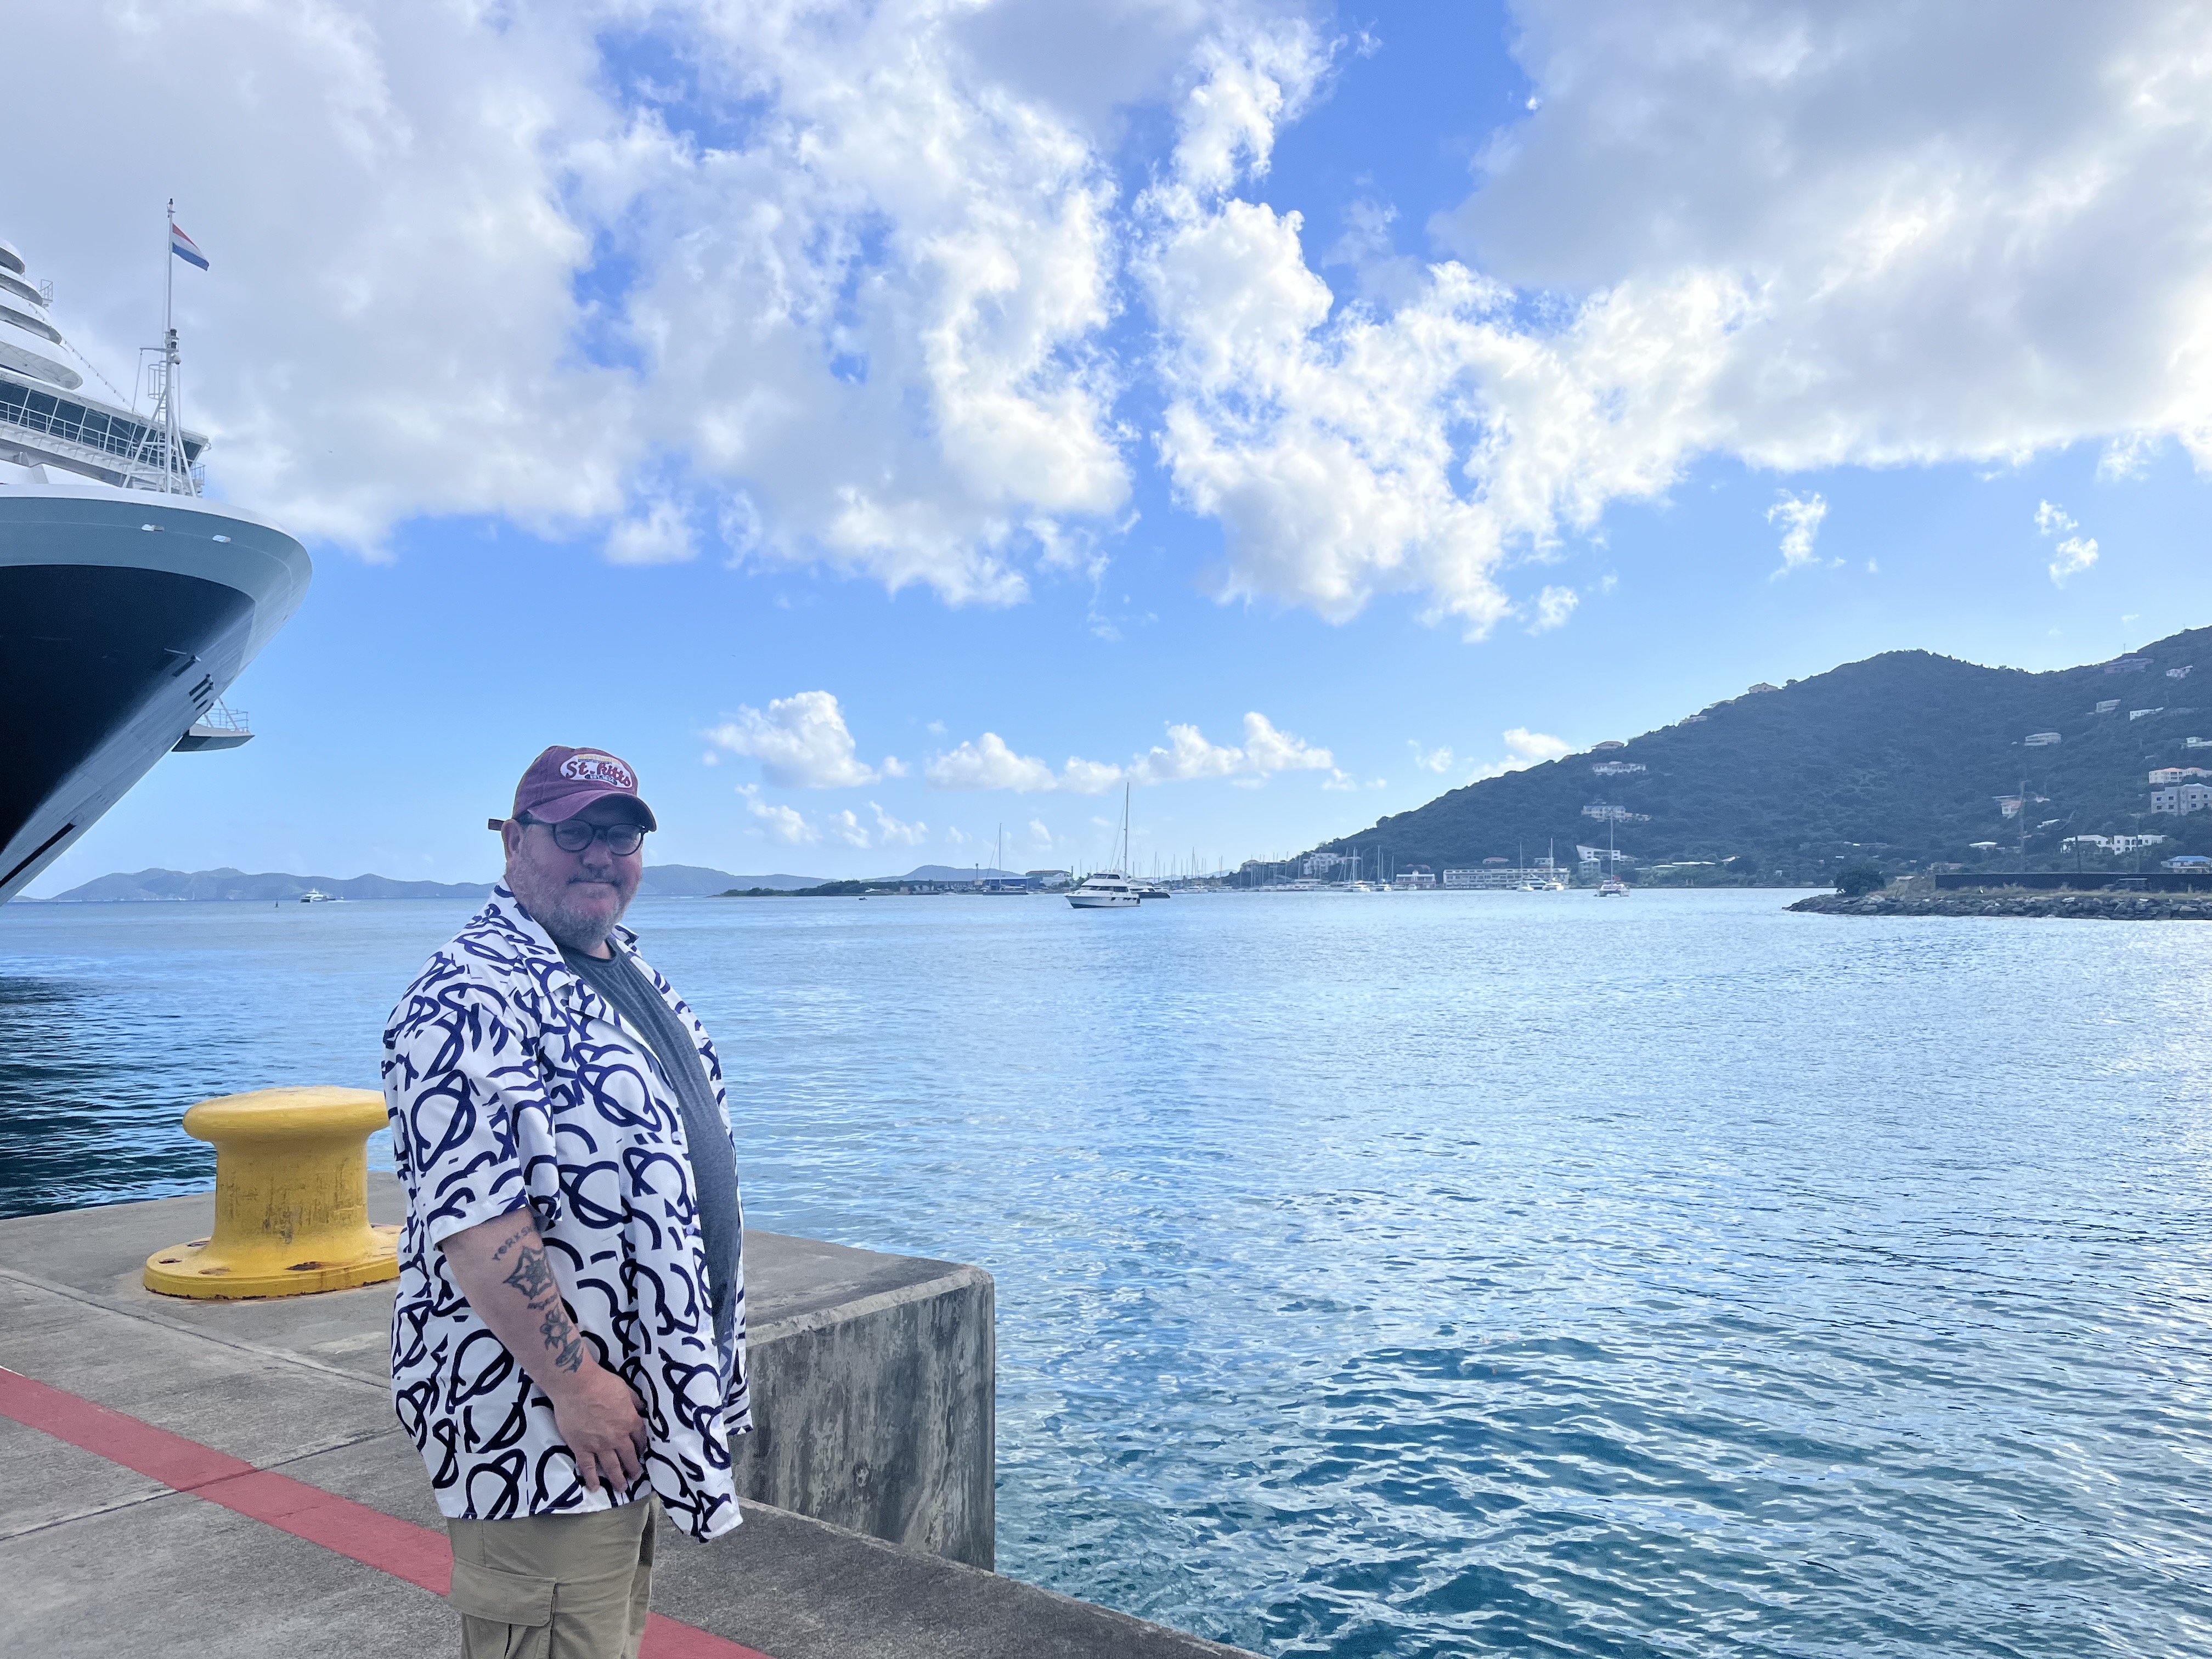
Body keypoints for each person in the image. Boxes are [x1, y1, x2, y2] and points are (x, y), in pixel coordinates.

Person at [382, 746, 750, 1659]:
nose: (600, 854)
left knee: (601, 1635)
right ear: (512, 842)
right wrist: (577, 1385)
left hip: (614, 1415)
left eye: (620, 834)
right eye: (572, 831)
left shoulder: (609, 964)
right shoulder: (465, 996)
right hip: (540, 1430)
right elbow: (477, 1229)